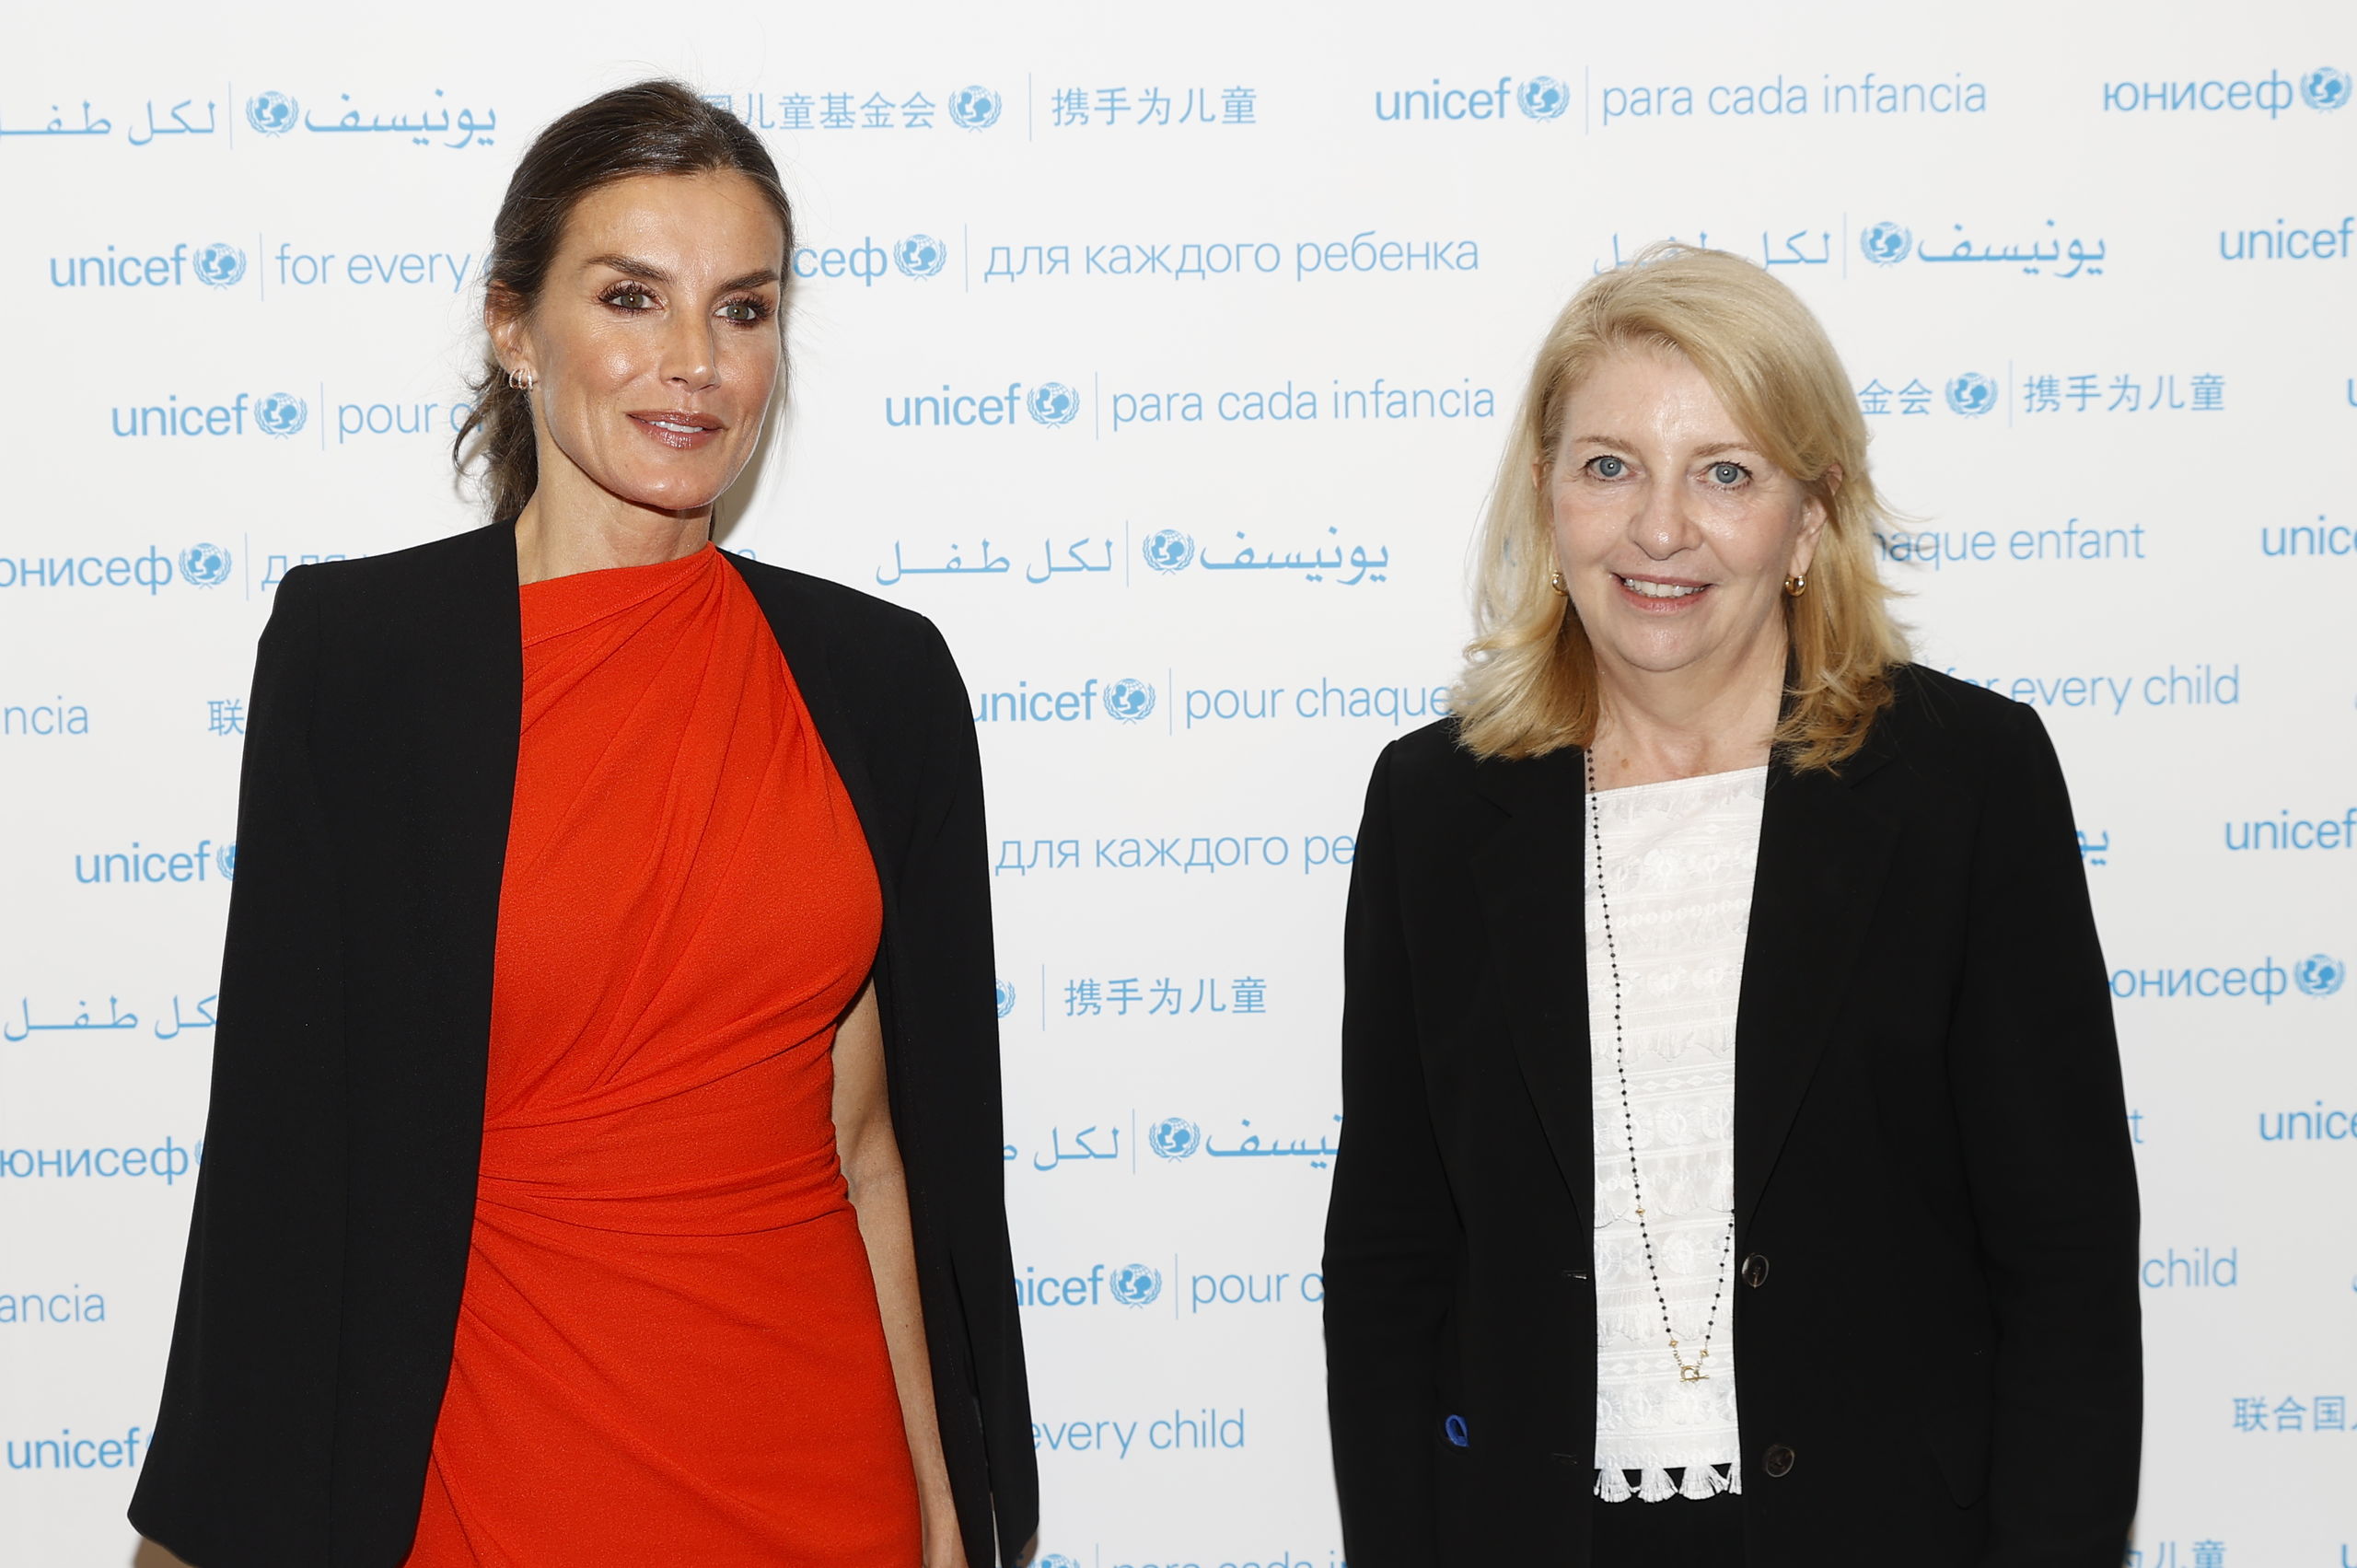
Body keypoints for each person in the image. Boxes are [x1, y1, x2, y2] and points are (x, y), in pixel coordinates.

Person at [128, 82, 1035, 1568]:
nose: (696, 364)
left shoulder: (879, 681)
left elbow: (872, 1145)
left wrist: (943, 1511)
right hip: (494, 1472)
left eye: (744, 310)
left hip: (822, 1476)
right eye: (631, 297)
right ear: (513, 326)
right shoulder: (364, 661)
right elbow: (282, 1160)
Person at [1320, 244, 2140, 1567]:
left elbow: (2066, 1264)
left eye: (1726, 473)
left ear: (1810, 519)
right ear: (1547, 496)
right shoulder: (1434, 805)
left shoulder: (1965, 782)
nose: (1660, 528)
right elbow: (1391, 1259)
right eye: (1609, 467)